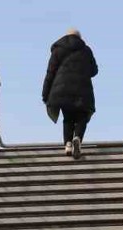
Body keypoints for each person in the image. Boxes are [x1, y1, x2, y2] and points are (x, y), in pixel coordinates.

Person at [42, 28, 98, 159]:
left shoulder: (58, 50)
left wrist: (45, 94)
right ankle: (77, 137)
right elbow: (94, 70)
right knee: (82, 116)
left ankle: (67, 144)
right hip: (82, 89)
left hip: (61, 90)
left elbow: (50, 73)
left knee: (68, 117)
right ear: (79, 38)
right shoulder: (86, 50)